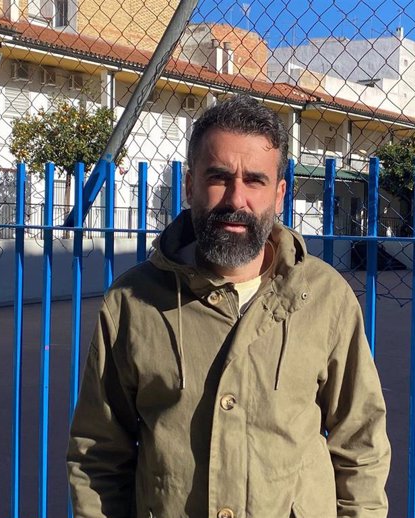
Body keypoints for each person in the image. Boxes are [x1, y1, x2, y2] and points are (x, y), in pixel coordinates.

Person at [67, 95, 391, 518]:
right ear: (189, 185)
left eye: (255, 180)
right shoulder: (131, 303)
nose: (236, 199)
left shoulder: (325, 296)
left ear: (279, 194)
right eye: (219, 177)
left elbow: (360, 444)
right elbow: (98, 454)